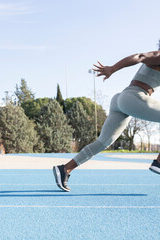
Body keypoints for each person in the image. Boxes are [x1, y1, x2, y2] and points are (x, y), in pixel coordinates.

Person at [53, 50, 160, 192]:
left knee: (103, 142)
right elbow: (139, 57)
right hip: (133, 97)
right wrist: (112, 69)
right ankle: (158, 162)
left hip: (122, 100)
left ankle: (65, 169)